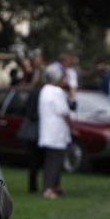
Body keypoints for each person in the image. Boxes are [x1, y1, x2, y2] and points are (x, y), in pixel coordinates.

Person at [37, 64, 72, 199]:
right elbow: (64, 112)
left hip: (47, 132)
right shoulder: (57, 92)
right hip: (56, 133)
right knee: (55, 162)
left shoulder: (44, 90)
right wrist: (71, 124)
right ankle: (49, 189)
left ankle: (54, 186)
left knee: (50, 161)